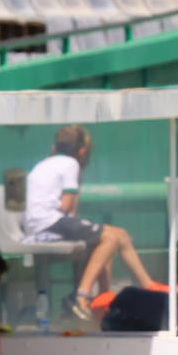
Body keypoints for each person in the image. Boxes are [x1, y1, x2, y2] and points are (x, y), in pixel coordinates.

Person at [22, 125, 164, 320]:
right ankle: (81, 296)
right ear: (82, 151)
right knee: (112, 238)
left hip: (37, 223)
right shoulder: (71, 164)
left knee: (114, 235)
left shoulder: (45, 164)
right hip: (48, 223)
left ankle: (107, 295)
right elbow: (66, 207)